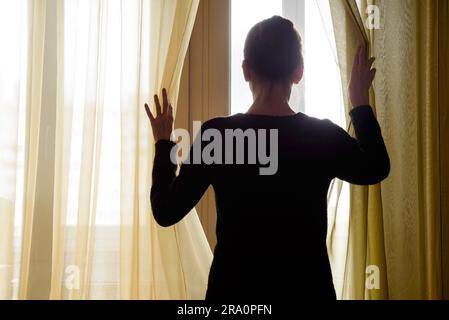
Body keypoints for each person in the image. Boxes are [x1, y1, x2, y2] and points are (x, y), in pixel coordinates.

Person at [145, 16, 390, 301]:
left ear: (246, 70)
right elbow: (376, 167)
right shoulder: (321, 136)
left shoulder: (218, 136)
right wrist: (359, 101)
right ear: (298, 72)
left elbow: (165, 211)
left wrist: (164, 144)